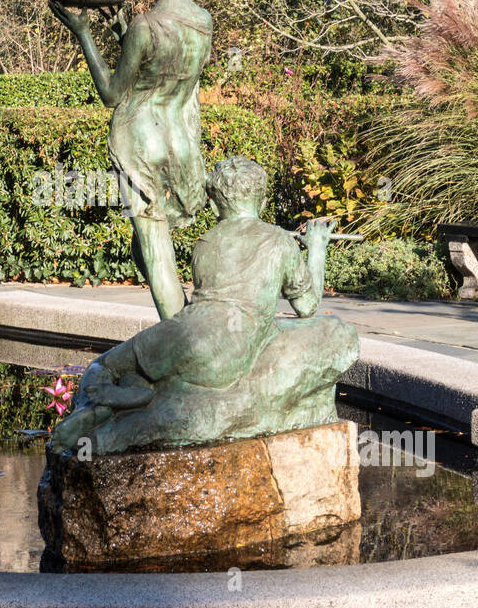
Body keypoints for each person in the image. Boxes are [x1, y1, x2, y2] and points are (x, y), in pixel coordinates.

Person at [51, 156, 358, 455]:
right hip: (227, 348)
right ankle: (118, 422)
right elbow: (307, 306)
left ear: (212, 204)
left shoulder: (206, 242)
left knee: (104, 366)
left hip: (181, 332)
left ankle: (103, 405)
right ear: (263, 203)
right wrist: (317, 249)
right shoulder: (279, 241)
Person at [47, 0, 212, 318]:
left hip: (141, 142)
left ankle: (179, 345)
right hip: (179, 141)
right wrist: (124, 35)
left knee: (154, 252)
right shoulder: (202, 23)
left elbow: (111, 94)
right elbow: (164, 71)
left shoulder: (145, 25)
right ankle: (182, 322)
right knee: (149, 247)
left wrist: (84, 35)